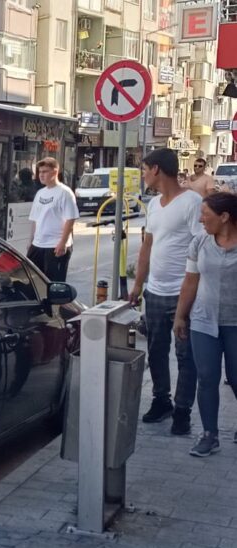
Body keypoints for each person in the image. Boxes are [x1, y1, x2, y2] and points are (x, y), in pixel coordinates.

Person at [130, 147, 202, 435]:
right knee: (156, 350)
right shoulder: (154, 204)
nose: (143, 174)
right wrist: (138, 284)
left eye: (145, 169)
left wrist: (191, 289)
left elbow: (199, 248)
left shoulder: (192, 202)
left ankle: (182, 411)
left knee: (186, 355)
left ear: (157, 169)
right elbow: (148, 245)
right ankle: (162, 401)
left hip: (182, 292)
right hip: (155, 292)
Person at [175, 192, 237, 456]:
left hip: (234, 323)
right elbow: (190, 282)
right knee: (207, 377)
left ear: (224, 217)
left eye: (206, 214)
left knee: (235, 378)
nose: (201, 220)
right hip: (203, 321)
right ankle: (209, 434)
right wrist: (180, 315)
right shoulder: (200, 242)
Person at [26, 157, 78, 282]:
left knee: (53, 284)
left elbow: (70, 219)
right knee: (32, 281)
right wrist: (31, 241)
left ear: (54, 172)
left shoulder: (64, 193)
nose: (41, 175)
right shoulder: (40, 193)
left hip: (55, 245)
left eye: (45, 172)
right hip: (38, 245)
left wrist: (62, 242)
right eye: (40, 172)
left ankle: (57, 302)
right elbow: (35, 219)